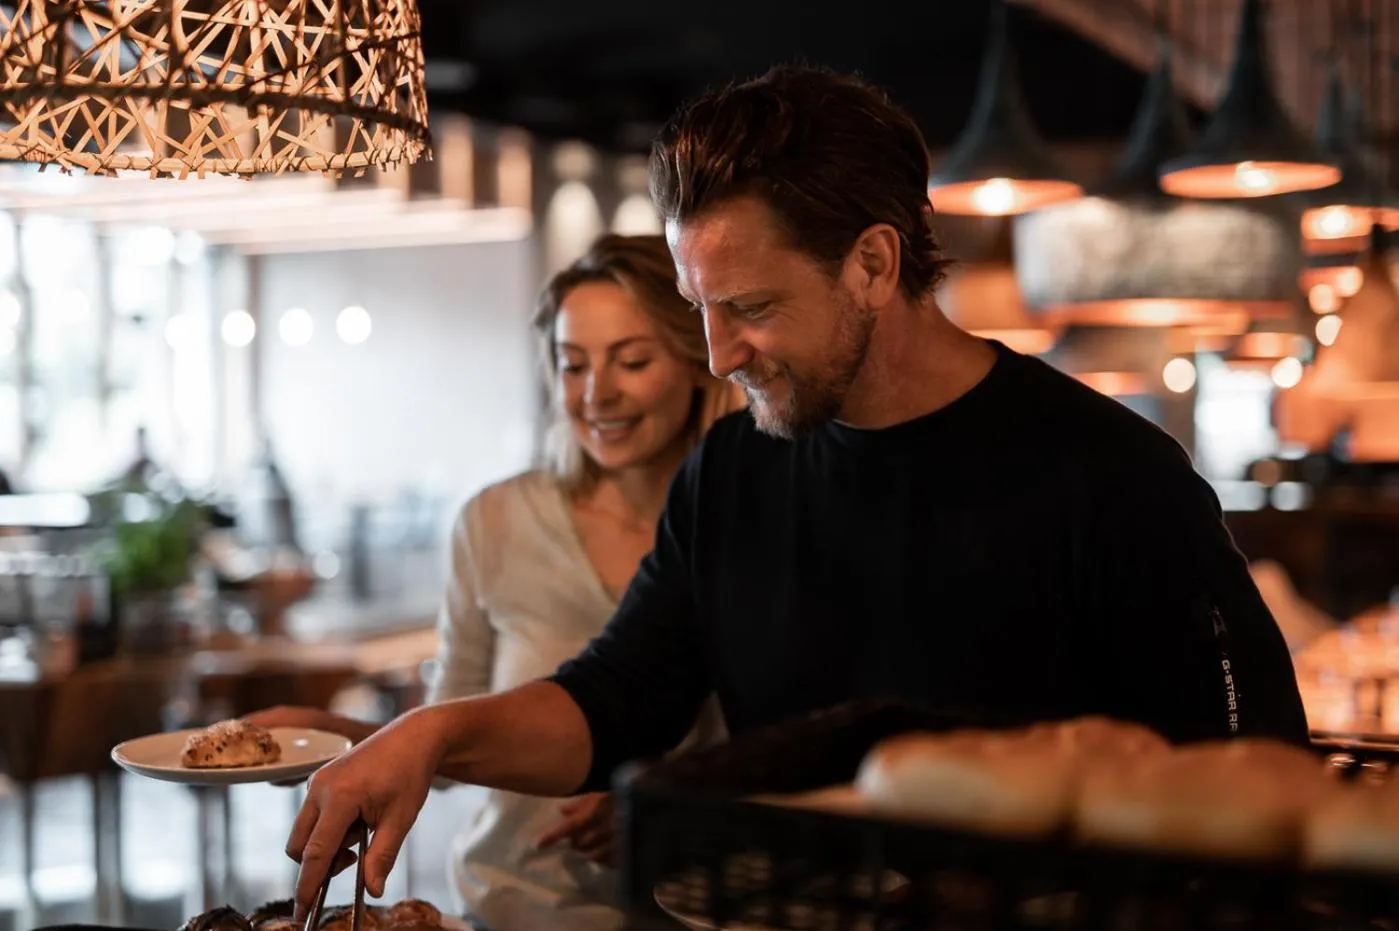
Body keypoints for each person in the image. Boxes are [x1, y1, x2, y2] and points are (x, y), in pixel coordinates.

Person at [283, 65, 1309, 915]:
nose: (719, 355)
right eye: (699, 310)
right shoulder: (733, 471)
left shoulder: (1108, 475)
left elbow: (1250, 780)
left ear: (872, 262)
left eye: (752, 307)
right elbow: (614, 704)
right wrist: (429, 734)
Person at [248, 233, 736, 930]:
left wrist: (673, 805)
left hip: (700, 913)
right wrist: (330, 734)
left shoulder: (743, 520)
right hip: (518, 908)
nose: (597, 393)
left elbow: (798, 738)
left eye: (632, 360)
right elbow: (451, 747)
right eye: (571, 365)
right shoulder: (497, 521)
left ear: (698, 360)